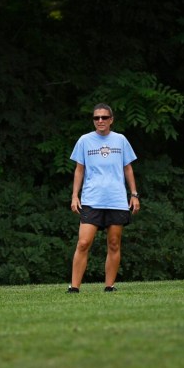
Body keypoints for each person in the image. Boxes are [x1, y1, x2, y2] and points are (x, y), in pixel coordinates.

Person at [68, 103, 140, 293]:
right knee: (83, 243)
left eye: (104, 117)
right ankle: (74, 287)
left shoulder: (121, 140)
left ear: (111, 120)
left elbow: (128, 168)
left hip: (116, 199)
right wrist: (75, 195)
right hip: (92, 199)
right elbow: (79, 170)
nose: (100, 121)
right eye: (96, 118)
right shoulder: (84, 140)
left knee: (114, 243)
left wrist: (134, 195)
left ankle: (110, 286)